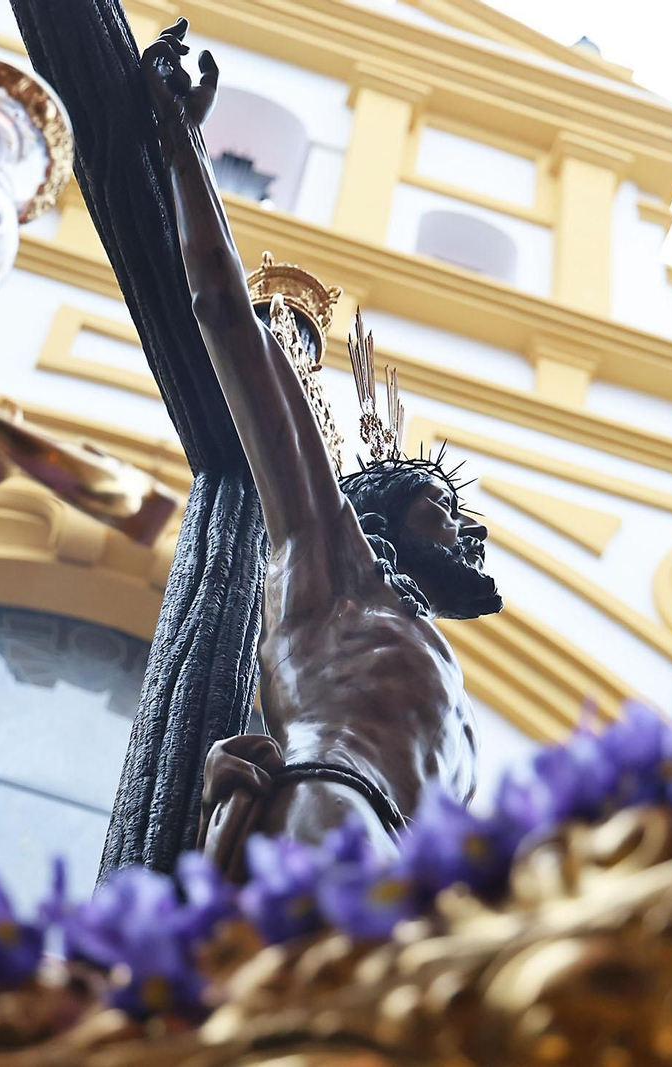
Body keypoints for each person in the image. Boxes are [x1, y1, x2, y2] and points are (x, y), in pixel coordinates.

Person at [142, 19, 504, 873]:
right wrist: (184, 143)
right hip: (334, 808)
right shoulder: (327, 552)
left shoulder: (441, 672)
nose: (469, 534)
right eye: (443, 508)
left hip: (406, 872)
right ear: (387, 512)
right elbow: (226, 317)